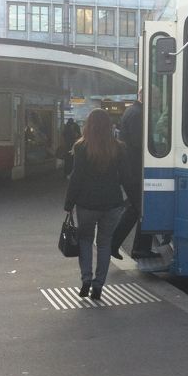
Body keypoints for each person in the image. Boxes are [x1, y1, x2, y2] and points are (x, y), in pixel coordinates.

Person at [64, 108, 136, 300]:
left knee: (85, 241)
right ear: (109, 127)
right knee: (104, 244)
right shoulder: (119, 148)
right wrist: (135, 201)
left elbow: (76, 178)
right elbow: (127, 178)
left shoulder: (81, 147)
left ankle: (86, 279)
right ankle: (98, 285)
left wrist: (69, 203)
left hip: (86, 204)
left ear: (89, 125)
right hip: (112, 204)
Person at [110, 92, 157, 260]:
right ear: (145, 96)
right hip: (134, 171)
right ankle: (132, 247)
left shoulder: (133, 111)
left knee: (136, 208)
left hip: (131, 170)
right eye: (155, 96)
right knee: (143, 209)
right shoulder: (137, 114)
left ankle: (129, 246)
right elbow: (139, 142)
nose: (157, 99)